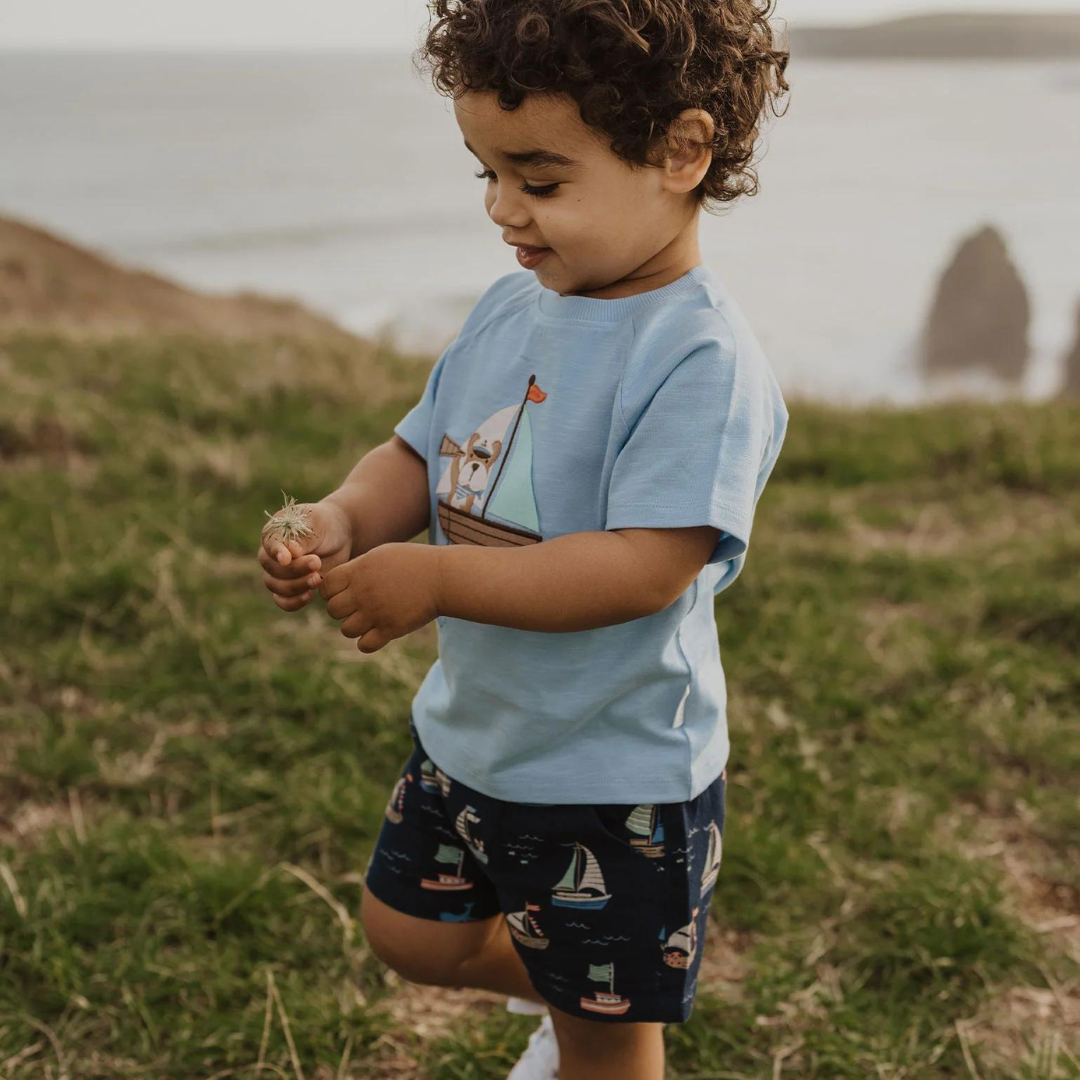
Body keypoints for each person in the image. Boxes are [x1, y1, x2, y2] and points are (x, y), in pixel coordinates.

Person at [258, 2, 790, 1076]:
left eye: (540, 181)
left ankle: (601, 1017)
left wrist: (440, 579)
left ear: (682, 152)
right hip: (472, 739)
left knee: (609, 1040)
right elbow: (418, 453)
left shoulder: (701, 361)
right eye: (485, 174)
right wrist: (342, 518)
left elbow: (646, 567)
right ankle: (582, 991)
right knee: (409, 934)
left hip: (615, 775)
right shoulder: (512, 307)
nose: (505, 209)